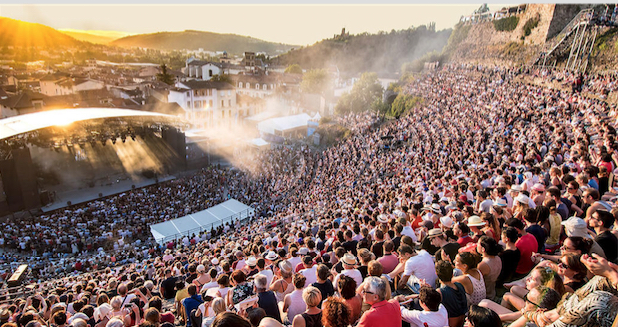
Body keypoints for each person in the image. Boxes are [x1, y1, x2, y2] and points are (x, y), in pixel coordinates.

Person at [434, 261, 467, 327]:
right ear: (452, 274)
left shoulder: (440, 292)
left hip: (450, 323)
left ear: (436, 274)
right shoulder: (459, 285)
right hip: (463, 320)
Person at [476, 236, 502, 301]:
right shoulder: (498, 258)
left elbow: (475, 280)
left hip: (486, 295)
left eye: (478, 244)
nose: (476, 245)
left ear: (483, 249)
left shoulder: (483, 265)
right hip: (492, 290)